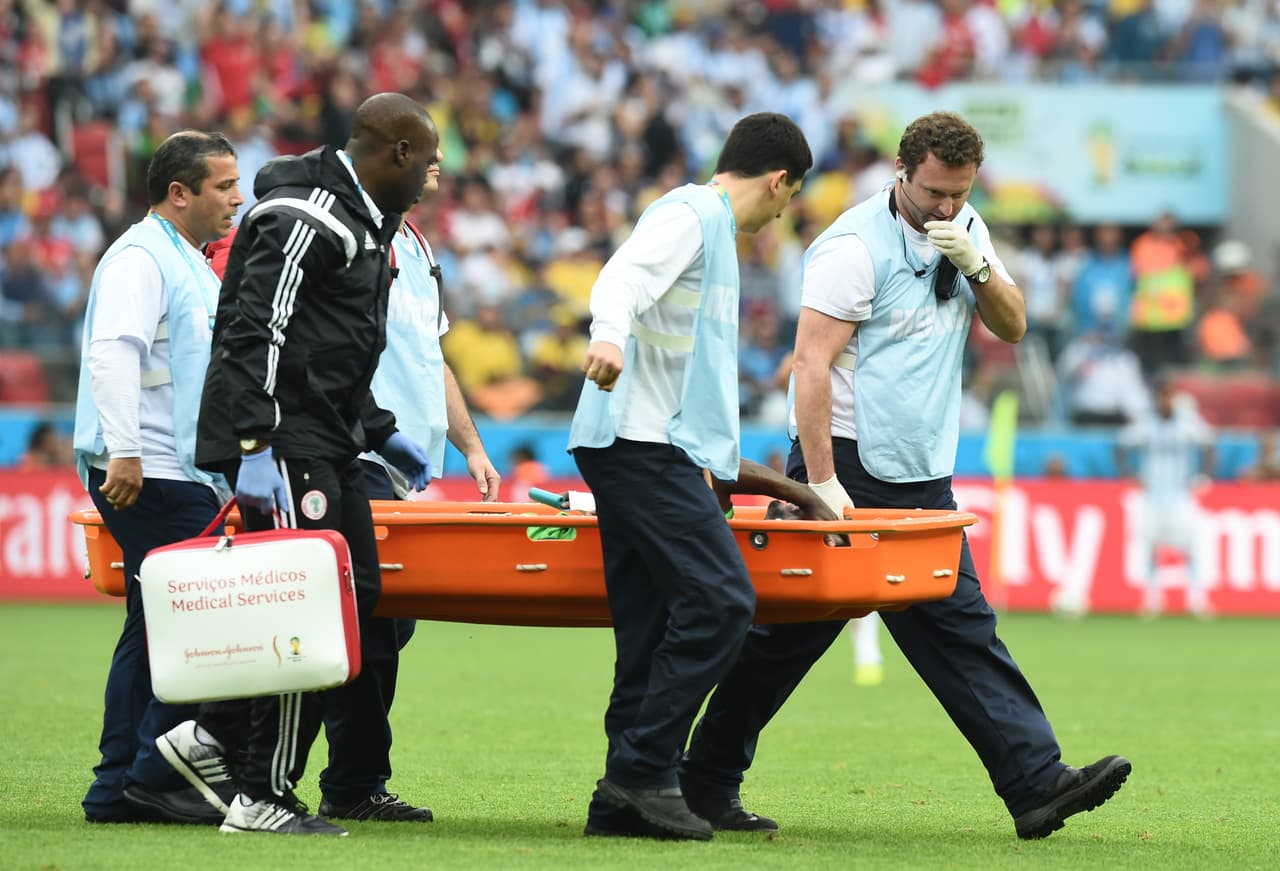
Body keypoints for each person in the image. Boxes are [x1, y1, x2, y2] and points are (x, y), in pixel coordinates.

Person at [679, 111, 1131, 841]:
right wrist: (821, 481)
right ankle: (701, 781)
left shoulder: (967, 228)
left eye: (959, 192)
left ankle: (1035, 784)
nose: (945, 207)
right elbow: (811, 365)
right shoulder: (852, 248)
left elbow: (1014, 326)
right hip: (847, 462)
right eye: (932, 192)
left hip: (921, 469)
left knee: (955, 628)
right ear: (900, 171)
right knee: (789, 636)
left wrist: (978, 265)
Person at [155, 93, 439, 836]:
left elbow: (328, 351)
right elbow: (256, 331)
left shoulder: (364, 225)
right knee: (306, 608)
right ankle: (262, 795)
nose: (431, 178)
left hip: (327, 439)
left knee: (355, 599)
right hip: (283, 442)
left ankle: (214, 733)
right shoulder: (307, 217)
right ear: (399, 153)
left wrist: (379, 430)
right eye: (428, 162)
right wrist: (254, 444)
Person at [568, 111, 813, 841]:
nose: (782, 213)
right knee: (723, 602)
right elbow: (622, 277)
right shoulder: (693, 215)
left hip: (644, 441)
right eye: (790, 197)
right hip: (640, 442)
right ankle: (644, 771)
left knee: (651, 626)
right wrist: (608, 337)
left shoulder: (707, 227)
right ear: (779, 181)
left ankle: (619, 804)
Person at [71, 131, 244, 824]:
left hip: (176, 471)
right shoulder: (141, 257)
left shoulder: (186, 260)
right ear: (179, 193)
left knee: (153, 625)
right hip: (153, 473)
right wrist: (126, 450)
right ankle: (155, 773)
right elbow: (113, 352)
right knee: (197, 619)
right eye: (224, 186)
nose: (237, 198)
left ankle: (118, 785)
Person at [333, 124, 502, 821]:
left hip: (406, 463)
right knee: (372, 622)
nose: (440, 166)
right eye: (429, 156)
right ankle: (353, 783)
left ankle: (334, 772)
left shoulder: (418, 246)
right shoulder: (350, 234)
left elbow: (433, 361)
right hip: (358, 452)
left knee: (387, 623)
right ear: (396, 155)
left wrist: (472, 447)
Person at [1115, 377, 1215, 617]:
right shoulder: (1145, 423)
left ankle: (1197, 600)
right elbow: (1120, 448)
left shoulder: (1188, 422)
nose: (1165, 401)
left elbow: (1209, 446)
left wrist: (1203, 475)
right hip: (1152, 497)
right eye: (1162, 396)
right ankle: (1152, 600)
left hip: (1181, 496)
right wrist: (1131, 475)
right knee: (1150, 546)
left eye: (1169, 396)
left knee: (1191, 547)